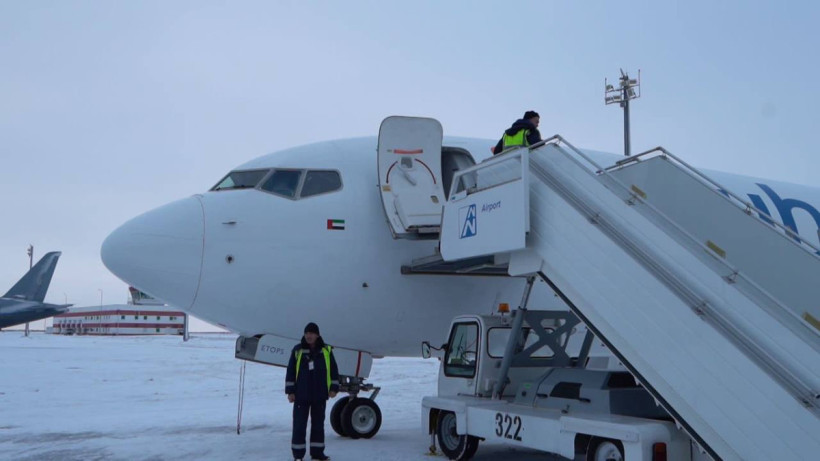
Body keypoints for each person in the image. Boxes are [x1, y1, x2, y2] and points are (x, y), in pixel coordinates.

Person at [286, 322, 340, 461]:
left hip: (319, 394)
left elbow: (333, 370)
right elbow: (291, 371)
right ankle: (298, 455)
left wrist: (334, 388)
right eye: (306, 333)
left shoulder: (326, 351)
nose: (308, 336)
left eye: (311, 333)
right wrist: (290, 391)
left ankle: (317, 453)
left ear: (317, 335)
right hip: (301, 395)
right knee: (299, 426)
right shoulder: (298, 350)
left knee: (318, 426)